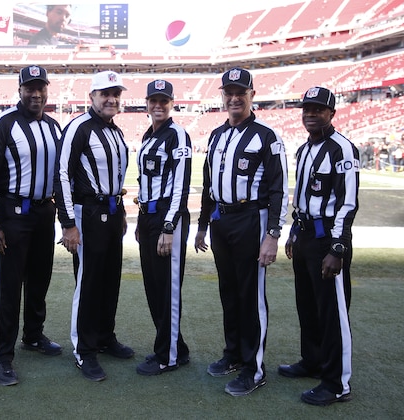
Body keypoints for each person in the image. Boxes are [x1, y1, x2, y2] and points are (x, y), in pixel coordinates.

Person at [194, 67, 288, 396]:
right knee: (229, 292)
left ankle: (254, 367)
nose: (234, 98)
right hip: (222, 220)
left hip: (252, 218)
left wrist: (273, 233)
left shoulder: (266, 135)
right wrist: (203, 225)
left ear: (252, 95)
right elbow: (208, 185)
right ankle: (233, 354)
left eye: (241, 92)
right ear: (223, 95)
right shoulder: (217, 135)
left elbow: (278, 188)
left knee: (250, 296)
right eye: (229, 92)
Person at [0, 65, 63, 386]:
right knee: (10, 286)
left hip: (44, 213)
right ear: (20, 90)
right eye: (30, 88)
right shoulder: (3, 124)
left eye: (41, 87)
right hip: (13, 214)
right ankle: (1, 356)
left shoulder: (54, 127)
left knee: (40, 278)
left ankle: (33, 334)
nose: (36, 93)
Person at [278, 86, 359, 406]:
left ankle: (337, 382)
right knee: (308, 305)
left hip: (328, 238)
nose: (311, 114)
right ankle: (312, 361)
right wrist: (294, 233)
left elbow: (348, 202)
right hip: (306, 235)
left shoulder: (342, 149)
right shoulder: (305, 149)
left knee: (332, 312)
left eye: (318, 110)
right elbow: (300, 197)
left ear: (332, 114)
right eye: (306, 109)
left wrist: (337, 248)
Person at [55, 70, 134, 382]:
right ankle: (84, 349)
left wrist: (123, 212)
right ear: (92, 97)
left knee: (110, 278)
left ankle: (104, 336)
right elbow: (61, 175)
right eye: (105, 93)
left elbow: (116, 179)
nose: (111, 98)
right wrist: (68, 224)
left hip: (113, 212)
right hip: (87, 212)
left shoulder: (116, 131)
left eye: (116, 93)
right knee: (88, 281)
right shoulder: (79, 127)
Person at [134, 80, 192, 376]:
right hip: (149, 217)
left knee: (167, 289)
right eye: (153, 100)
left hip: (167, 219)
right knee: (154, 288)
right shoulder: (148, 135)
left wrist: (168, 227)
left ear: (172, 103)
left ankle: (167, 356)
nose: (158, 105)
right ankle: (175, 348)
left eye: (164, 100)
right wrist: (142, 217)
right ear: (146, 102)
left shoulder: (177, 135)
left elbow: (181, 185)